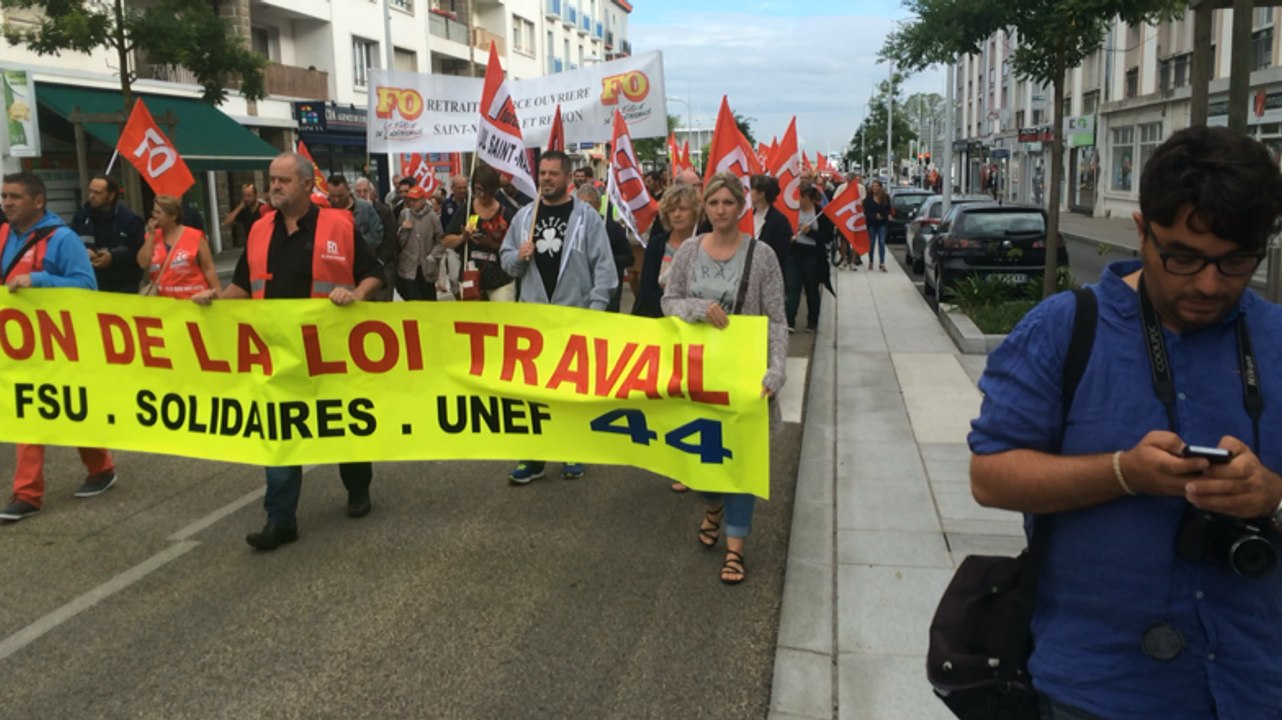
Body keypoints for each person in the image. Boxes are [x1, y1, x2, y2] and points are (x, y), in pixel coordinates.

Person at [969, 126, 1282, 719]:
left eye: (1237, 262)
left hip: (1258, 683)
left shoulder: (1275, 339)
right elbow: (991, 477)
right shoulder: (1063, 330)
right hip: (1101, 687)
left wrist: (1271, 496)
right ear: (1141, 231)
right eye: (1183, 258)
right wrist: (1123, 473)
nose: (1210, 284)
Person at [192, 152, 384, 551]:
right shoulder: (260, 230)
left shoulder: (339, 225)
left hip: (329, 353)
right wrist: (216, 301)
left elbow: (374, 274)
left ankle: (358, 487)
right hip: (276, 353)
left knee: (341, 427)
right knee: (279, 434)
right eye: (271, 180)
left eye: (283, 180)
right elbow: (243, 286)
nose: (274, 187)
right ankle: (280, 520)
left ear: (306, 185)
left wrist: (356, 292)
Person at [660, 171, 787, 584]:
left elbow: (776, 319)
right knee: (702, 463)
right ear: (705, 207)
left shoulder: (762, 255)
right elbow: (669, 301)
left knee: (741, 463)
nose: (720, 211)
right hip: (697, 375)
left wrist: (777, 369)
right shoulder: (689, 252)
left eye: (728, 203)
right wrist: (698, 307)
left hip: (745, 377)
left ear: (741, 206)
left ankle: (735, 549)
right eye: (713, 203)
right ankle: (712, 505)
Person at [0, 173, 117, 522]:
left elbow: (85, 286)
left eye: (15, 197)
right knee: (27, 411)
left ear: (38, 201)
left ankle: (96, 470)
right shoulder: (4, 236)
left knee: (66, 409)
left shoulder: (61, 239)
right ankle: (30, 492)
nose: (6, 202)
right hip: (18, 347)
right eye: (4, 196)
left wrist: (37, 280)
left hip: (60, 346)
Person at [499, 150, 617, 484]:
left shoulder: (587, 218)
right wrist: (518, 258)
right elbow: (506, 260)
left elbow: (605, 271)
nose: (546, 179)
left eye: (553, 174)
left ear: (568, 177)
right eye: (543, 174)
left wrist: (593, 315)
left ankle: (573, 449)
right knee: (534, 392)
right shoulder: (524, 216)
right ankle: (533, 458)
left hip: (574, 318)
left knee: (571, 389)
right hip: (535, 321)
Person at [632, 182, 702, 493]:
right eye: (672, 208)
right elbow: (646, 287)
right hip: (664, 330)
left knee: (694, 400)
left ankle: (695, 462)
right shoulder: (658, 244)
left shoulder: (706, 243)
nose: (677, 213)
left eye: (683, 208)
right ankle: (676, 459)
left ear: (695, 212)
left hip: (696, 332)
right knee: (669, 399)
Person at [442, 164, 518, 302]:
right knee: (474, 322)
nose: (483, 195)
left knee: (502, 319)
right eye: (479, 190)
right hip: (471, 277)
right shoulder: (467, 210)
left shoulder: (506, 213)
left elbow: (514, 250)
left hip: (500, 279)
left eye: (488, 191)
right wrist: (462, 237)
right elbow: (446, 241)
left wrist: (490, 243)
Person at [69, 174, 145, 293]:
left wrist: (112, 257)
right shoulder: (80, 218)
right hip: (90, 285)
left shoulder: (130, 220)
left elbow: (138, 254)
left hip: (122, 288)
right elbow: (70, 246)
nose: (91, 196)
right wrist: (83, 252)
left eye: (97, 193)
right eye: (91, 191)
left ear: (111, 195)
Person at [137, 194, 220, 299]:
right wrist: (151, 236)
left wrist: (219, 296)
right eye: (154, 212)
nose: (154, 216)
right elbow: (142, 262)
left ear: (173, 216)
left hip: (193, 299)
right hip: (165, 303)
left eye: (159, 212)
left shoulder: (194, 236)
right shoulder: (151, 236)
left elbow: (208, 268)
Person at [574, 184, 633, 312]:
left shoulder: (612, 228)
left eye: (588, 204)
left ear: (598, 205)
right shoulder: (571, 229)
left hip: (608, 293)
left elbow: (629, 258)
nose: (584, 208)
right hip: (579, 295)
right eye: (580, 203)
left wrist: (607, 260)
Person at [786, 185, 832, 333]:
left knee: (811, 289)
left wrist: (810, 232)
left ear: (809, 199)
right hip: (794, 253)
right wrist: (789, 238)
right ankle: (789, 320)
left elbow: (827, 237)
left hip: (812, 255)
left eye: (801, 197)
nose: (798, 200)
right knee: (793, 288)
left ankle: (812, 321)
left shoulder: (820, 214)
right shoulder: (793, 212)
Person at [394, 185, 445, 301]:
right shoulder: (404, 215)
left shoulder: (432, 217)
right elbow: (398, 243)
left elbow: (440, 240)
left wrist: (432, 256)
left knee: (429, 301)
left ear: (423, 199)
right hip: (408, 267)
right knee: (413, 302)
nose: (412, 203)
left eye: (415, 200)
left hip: (426, 267)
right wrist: (403, 230)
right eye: (410, 199)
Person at [354, 176, 398, 300]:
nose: (362, 194)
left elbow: (390, 240)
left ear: (372, 192)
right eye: (358, 192)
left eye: (365, 191)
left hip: (383, 262)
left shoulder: (385, 211)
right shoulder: (351, 212)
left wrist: (379, 260)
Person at [748, 174, 792, 287]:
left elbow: (780, 256)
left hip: (767, 280)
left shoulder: (779, 221)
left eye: (750, 189)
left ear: (761, 194)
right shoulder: (746, 216)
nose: (747, 193)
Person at [326, 174, 383, 253]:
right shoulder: (324, 209)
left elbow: (377, 235)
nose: (337, 200)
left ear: (348, 190)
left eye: (340, 196)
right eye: (333, 196)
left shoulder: (365, 208)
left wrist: (353, 242)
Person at [221, 183, 269, 248]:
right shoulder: (244, 210)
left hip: (263, 244)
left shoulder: (262, 209)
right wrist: (239, 207)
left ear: (255, 196)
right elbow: (227, 223)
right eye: (244, 196)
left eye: (249, 196)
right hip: (250, 246)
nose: (246, 199)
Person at [863, 179, 890, 272]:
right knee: (871, 243)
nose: (875, 188)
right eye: (873, 186)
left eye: (877, 186)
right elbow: (866, 211)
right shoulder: (868, 198)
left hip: (882, 223)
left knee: (882, 243)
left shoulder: (885, 197)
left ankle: (882, 263)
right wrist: (874, 215)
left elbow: (888, 209)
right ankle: (871, 261)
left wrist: (883, 215)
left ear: (880, 187)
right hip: (872, 223)